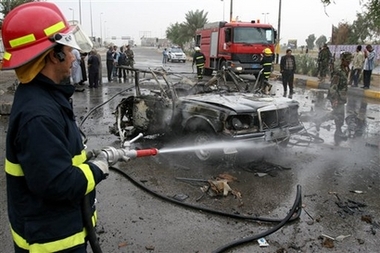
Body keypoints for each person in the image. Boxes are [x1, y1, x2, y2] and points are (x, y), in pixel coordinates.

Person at [2, 2, 110, 252]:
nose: (73, 57)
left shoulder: (42, 97)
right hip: (53, 242)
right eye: (68, 50)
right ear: (54, 54)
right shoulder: (38, 115)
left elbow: (52, 158)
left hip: (57, 232)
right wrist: (98, 168)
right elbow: (57, 183)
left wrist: (86, 156)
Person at [326, 51, 353, 144]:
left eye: (350, 61)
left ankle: (319, 119)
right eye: (348, 60)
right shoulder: (338, 71)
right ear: (343, 60)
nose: (349, 62)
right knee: (339, 114)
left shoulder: (345, 69)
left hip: (341, 96)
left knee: (336, 113)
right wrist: (335, 99)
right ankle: (338, 132)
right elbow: (334, 86)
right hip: (336, 96)